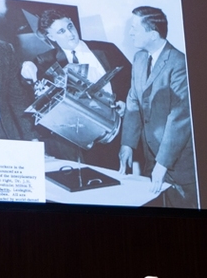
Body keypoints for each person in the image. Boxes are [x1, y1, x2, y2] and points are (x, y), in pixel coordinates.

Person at [20, 9, 131, 166]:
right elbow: (29, 86)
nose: (70, 34)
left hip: (118, 131)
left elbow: (132, 82)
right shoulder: (45, 61)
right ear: (51, 37)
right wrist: (26, 69)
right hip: (81, 142)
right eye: (61, 31)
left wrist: (124, 102)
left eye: (70, 26)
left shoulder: (107, 49)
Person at [118, 6, 197, 208]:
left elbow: (180, 118)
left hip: (177, 164)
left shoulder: (180, 63)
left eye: (135, 28)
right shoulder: (139, 58)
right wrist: (127, 143)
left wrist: (162, 164)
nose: (130, 32)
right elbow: (134, 101)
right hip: (150, 159)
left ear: (153, 34)